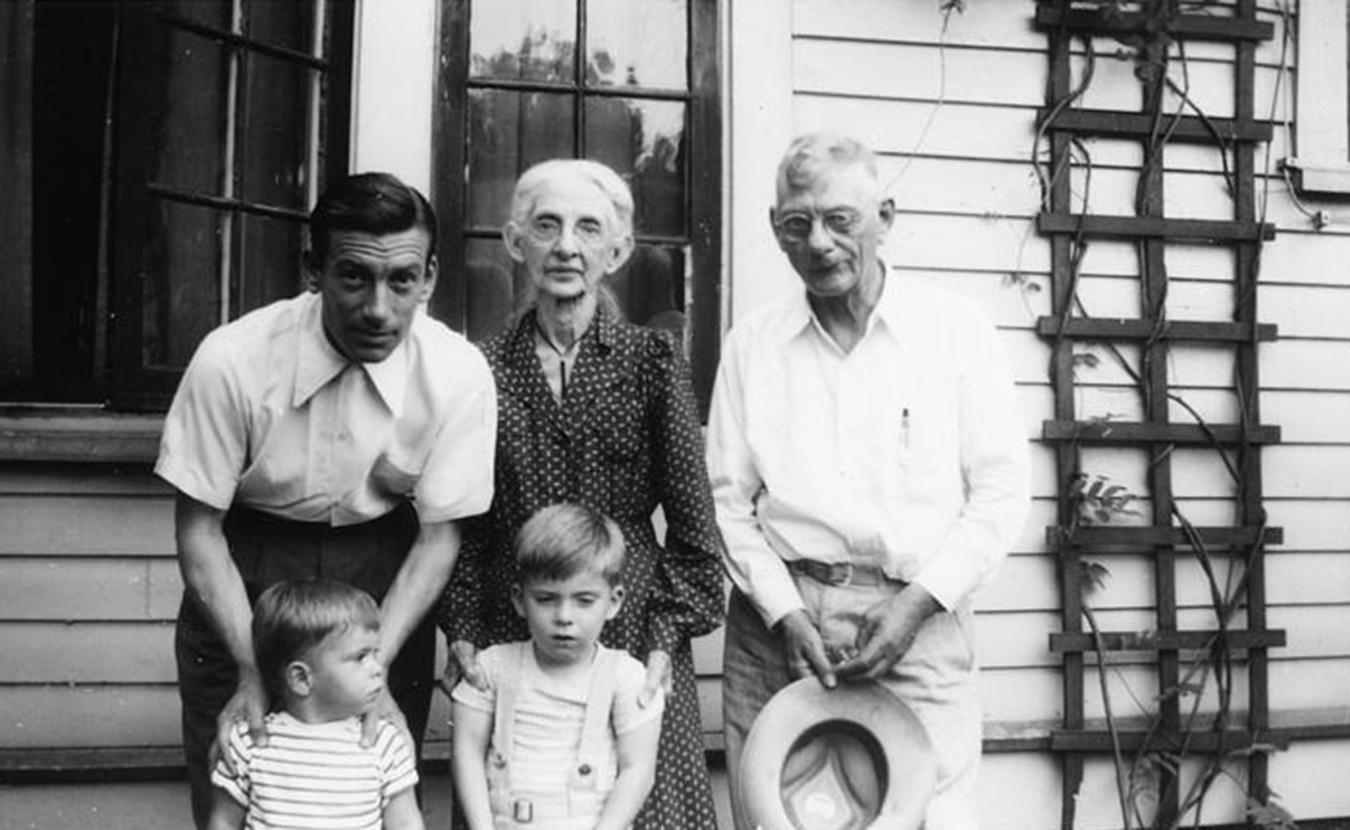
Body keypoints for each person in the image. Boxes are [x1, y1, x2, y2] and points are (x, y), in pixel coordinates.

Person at [706, 133, 1030, 830]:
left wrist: (916, 604)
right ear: (775, 230)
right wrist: (785, 612)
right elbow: (725, 503)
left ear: (885, 216)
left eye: (840, 219)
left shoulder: (956, 332)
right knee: (775, 818)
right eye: (797, 224)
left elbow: (1002, 495)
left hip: (920, 620)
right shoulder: (752, 346)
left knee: (930, 817)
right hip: (778, 629)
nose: (819, 242)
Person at [157, 171, 497, 828]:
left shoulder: (457, 372)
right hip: (246, 569)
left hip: (381, 579)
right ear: (313, 269)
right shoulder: (233, 359)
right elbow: (199, 530)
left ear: (428, 279)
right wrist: (251, 665)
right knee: (237, 781)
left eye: (402, 280)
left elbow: (439, 537)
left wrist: (380, 660)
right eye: (353, 277)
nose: (378, 308)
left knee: (368, 781)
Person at [438, 158, 725, 830]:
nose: (566, 246)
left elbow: (694, 532)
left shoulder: (652, 362)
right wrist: (464, 634)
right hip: (520, 628)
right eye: (547, 226)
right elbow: (464, 530)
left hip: (629, 632)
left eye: (587, 229)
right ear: (515, 243)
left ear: (617, 252)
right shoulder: (481, 368)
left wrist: (660, 647)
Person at [452, 503, 663, 830]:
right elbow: (467, 749)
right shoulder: (492, 668)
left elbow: (638, 771)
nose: (564, 616)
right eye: (547, 599)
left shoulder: (625, 677)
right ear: (520, 600)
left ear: (614, 601)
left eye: (584, 600)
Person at [208, 580, 424, 830]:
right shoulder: (249, 743)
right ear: (301, 679)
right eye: (361, 657)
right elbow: (224, 821)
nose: (377, 669)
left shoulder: (383, 743)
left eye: (375, 654)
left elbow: (406, 823)